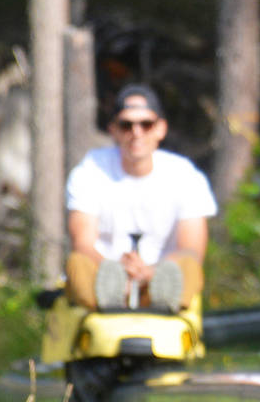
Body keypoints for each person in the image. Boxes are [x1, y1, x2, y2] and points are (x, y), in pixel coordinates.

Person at [64, 84, 218, 312]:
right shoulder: (89, 171)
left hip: (158, 279)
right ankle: (110, 298)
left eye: (146, 124)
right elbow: (83, 242)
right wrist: (116, 271)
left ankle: (162, 300)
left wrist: (150, 273)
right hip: (103, 279)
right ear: (113, 130)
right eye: (126, 125)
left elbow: (192, 248)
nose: (137, 133)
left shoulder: (186, 175)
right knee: (78, 264)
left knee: (189, 268)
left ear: (160, 129)